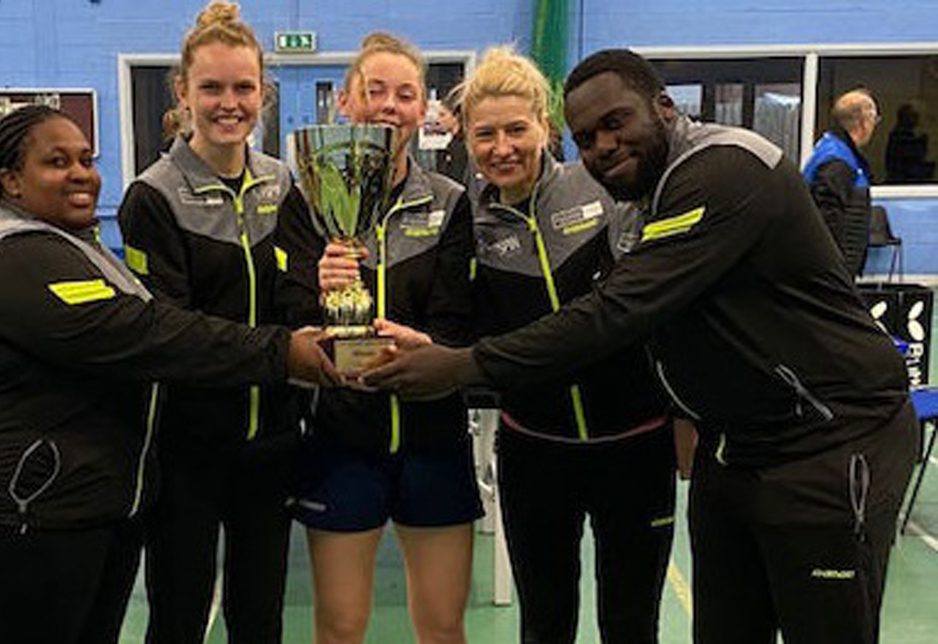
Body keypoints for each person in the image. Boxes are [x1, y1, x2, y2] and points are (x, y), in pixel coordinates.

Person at [366, 49, 917, 644]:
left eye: (615, 123)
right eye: (587, 137)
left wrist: (460, 366)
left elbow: (618, 311)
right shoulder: (623, 194)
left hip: (824, 441)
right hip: (724, 448)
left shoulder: (722, 168)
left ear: (663, 107)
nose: (604, 146)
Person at [0, 105, 336, 644]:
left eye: (85, 159)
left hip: (72, 499)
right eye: (56, 162)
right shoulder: (15, 255)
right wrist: (282, 352)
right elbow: (144, 332)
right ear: (11, 180)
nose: (81, 174)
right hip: (15, 509)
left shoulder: (63, 240)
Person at [456, 46, 674, 643]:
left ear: (544, 127)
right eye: (485, 134)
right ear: (467, 140)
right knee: (544, 626)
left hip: (635, 445)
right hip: (535, 452)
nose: (502, 148)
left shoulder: (604, 188)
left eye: (516, 129)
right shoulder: (469, 225)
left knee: (632, 625)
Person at [276, 32, 482, 644]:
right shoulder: (307, 200)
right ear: (344, 102)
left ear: (423, 108)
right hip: (342, 439)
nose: (390, 105)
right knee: (340, 627)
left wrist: (423, 347)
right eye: (375, 91)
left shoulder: (449, 202)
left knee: (442, 626)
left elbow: (457, 322)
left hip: (433, 439)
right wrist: (322, 296)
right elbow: (290, 319)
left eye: (406, 94)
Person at [116, 3, 305, 642]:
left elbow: (295, 295)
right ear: (183, 92)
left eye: (243, 87)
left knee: (261, 617)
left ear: (264, 93)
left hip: (272, 442)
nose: (230, 103)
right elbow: (169, 332)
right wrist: (284, 352)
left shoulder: (283, 182)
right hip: (186, 449)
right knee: (179, 616)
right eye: (212, 88)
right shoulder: (153, 195)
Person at [802, 88, 881, 278]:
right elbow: (827, 217)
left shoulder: (837, 150)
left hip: (837, 265)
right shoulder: (837, 160)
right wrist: (834, 271)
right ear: (864, 121)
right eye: (875, 119)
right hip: (832, 268)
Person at [885, 101, 934, 183]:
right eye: (913, 116)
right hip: (901, 180)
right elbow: (909, 157)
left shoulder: (910, 136)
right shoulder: (898, 137)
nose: (916, 119)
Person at [435, 88, 469, 185]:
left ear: (456, 116)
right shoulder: (452, 145)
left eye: (443, 115)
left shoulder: (462, 147)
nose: (438, 120)